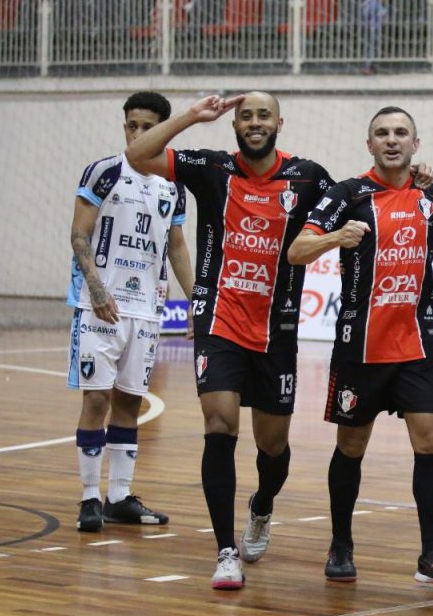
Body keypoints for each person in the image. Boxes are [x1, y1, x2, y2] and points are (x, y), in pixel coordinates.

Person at [125, 91, 335, 590]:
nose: (254, 123)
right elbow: (139, 154)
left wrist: (416, 180)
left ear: (279, 121)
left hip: (276, 329)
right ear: (235, 124)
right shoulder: (211, 167)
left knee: (273, 444)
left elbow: (357, 200)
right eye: (246, 116)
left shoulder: (308, 176)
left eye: (263, 115)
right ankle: (224, 551)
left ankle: (261, 506)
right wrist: (191, 117)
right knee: (219, 423)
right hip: (218, 320)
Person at [290, 106, 433, 585]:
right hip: (360, 349)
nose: (392, 140)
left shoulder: (431, 197)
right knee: (351, 445)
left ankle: (430, 555)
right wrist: (337, 237)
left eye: (401, 133)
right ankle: (340, 543)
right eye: (382, 133)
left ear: (415, 145)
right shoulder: (347, 195)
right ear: (370, 144)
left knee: (431, 440)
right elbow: (297, 249)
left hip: (418, 348)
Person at [68, 91, 194, 534]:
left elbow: (176, 245)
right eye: (131, 126)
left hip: (148, 310)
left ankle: (119, 497)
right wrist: (98, 290)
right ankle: (88, 498)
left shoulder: (173, 185)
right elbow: (79, 235)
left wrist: (193, 302)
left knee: (129, 402)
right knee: (96, 398)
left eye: (146, 127)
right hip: (99, 306)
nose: (137, 133)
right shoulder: (104, 171)